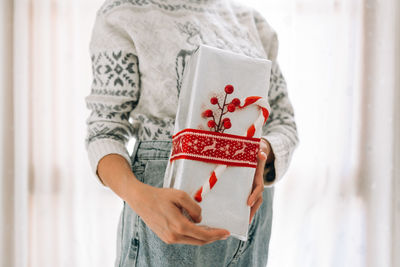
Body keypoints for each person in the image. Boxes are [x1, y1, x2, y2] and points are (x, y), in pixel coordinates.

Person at [84, 0, 299, 266]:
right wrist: (142, 200)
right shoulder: (122, 14)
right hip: (168, 218)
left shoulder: (251, 21)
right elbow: (104, 133)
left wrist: (261, 151)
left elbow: (283, 122)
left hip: (250, 221)